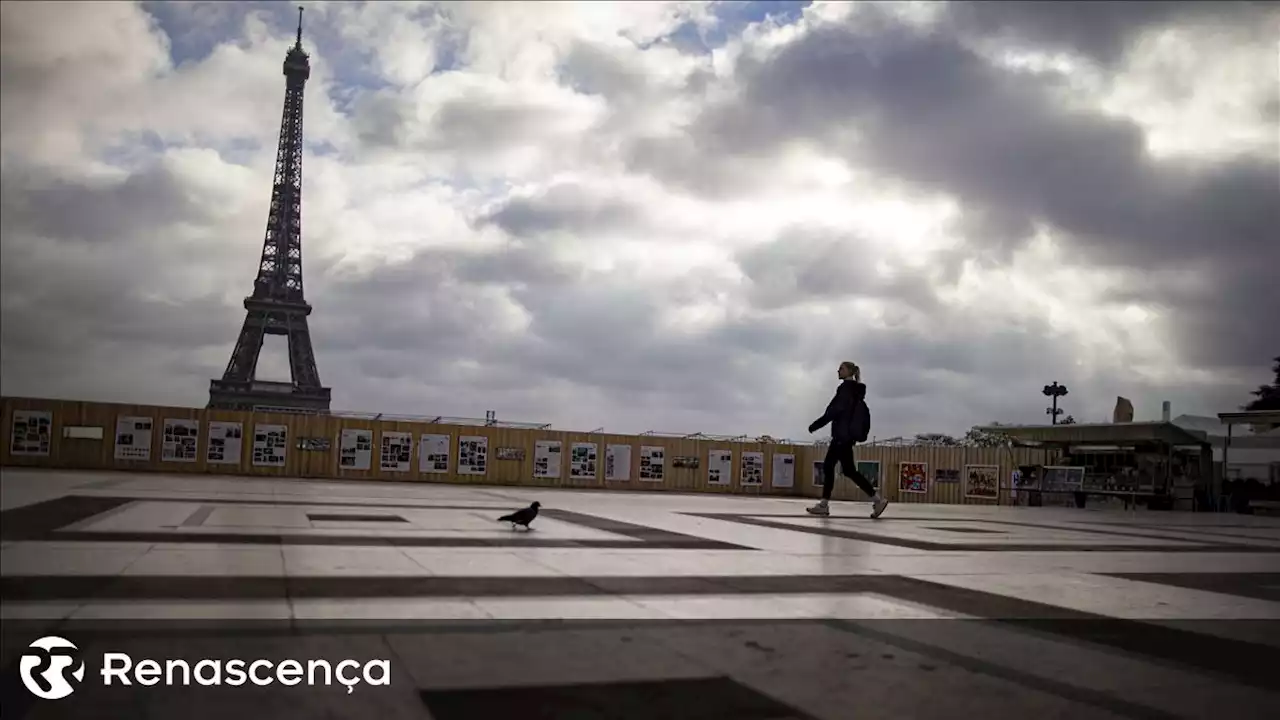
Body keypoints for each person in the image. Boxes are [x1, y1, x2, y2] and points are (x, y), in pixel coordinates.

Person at [806, 361, 888, 518]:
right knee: (849, 471)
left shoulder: (845, 389)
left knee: (829, 466)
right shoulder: (856, 391)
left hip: (841, 436)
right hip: (847, 437)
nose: (838, 371)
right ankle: (877, 500)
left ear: (849, 371)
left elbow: (834, 411)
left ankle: (824, 504)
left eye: (841, 369)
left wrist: (815, 425)